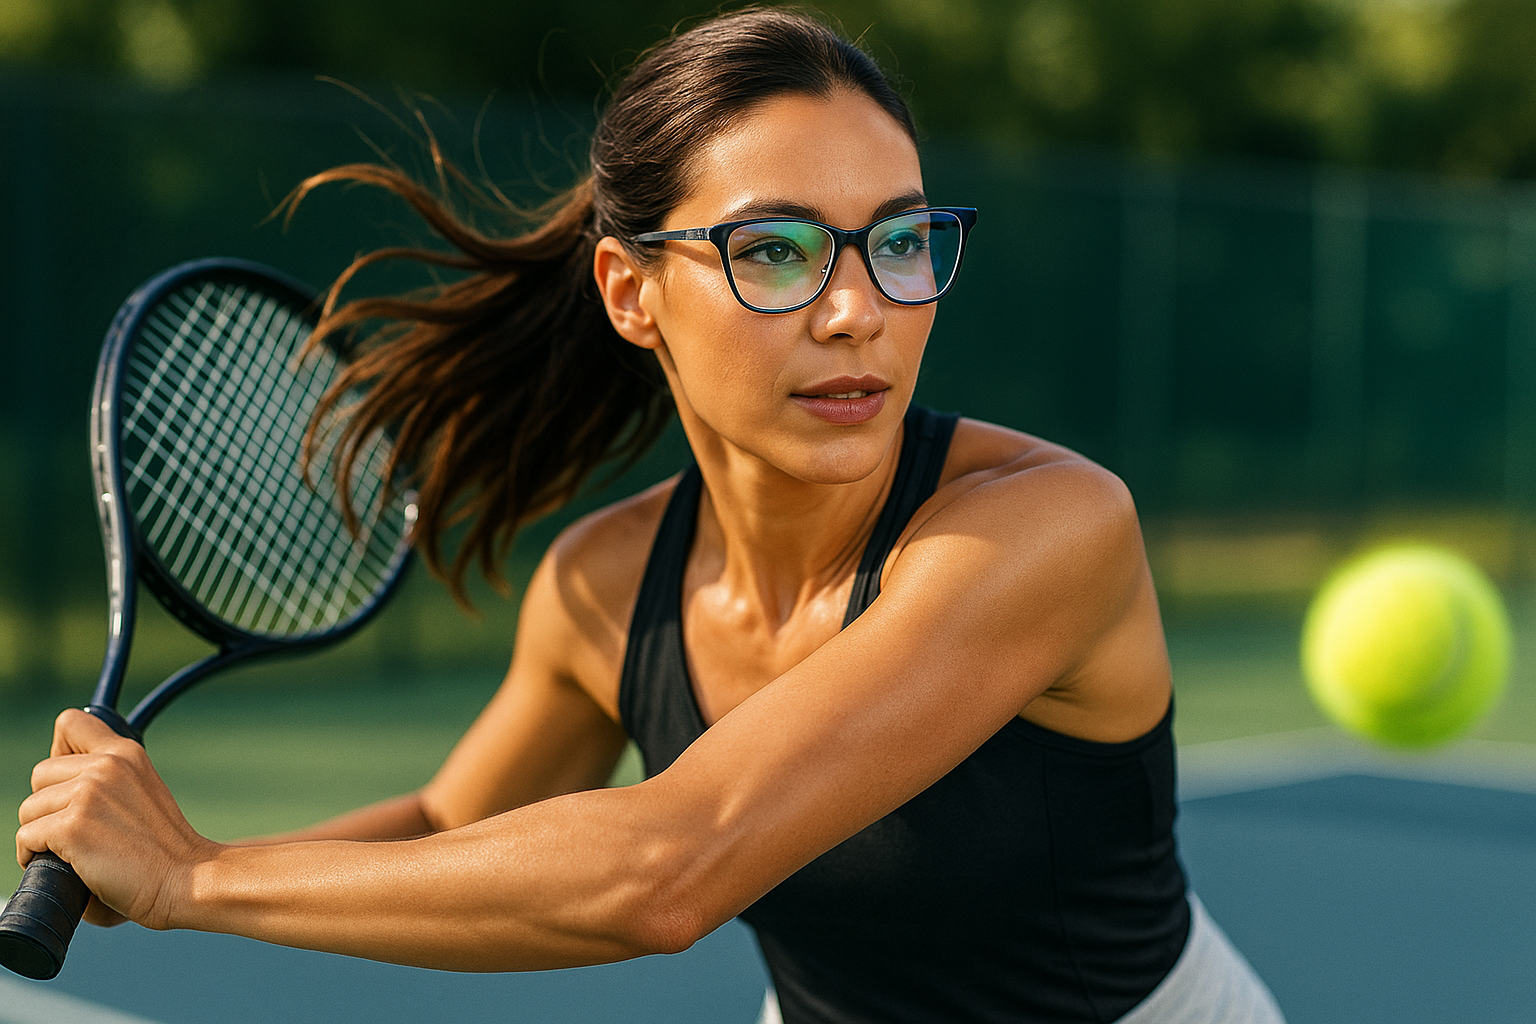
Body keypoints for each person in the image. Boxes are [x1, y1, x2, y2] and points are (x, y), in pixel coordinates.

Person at [17, 8, 1285, 1023]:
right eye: (777, 250)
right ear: (631, 290)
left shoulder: (1049, 529)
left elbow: (669, 867)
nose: (859, 311)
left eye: (899, 241)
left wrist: (196, 878)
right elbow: (456, 826)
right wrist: (183, 845)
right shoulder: (605, 584)